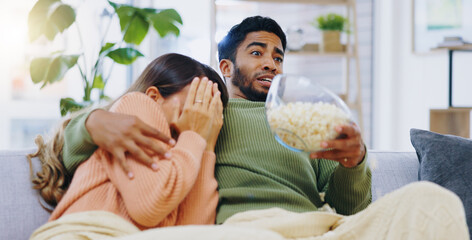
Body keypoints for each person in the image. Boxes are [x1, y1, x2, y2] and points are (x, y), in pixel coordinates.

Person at [51, 17, 469, 240]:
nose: (272, 62)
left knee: (431, 200)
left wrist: (354, 161)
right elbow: (91, 151)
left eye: (279, 56)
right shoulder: (200, 115)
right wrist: (91, 120)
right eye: (257, 52)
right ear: (226, 68)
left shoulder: (300, 118)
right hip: (245, 231)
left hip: (321, 228)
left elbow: (349, 210)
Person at [28, 53, 229, 239]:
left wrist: (207, 146)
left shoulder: (187, 153)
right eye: (196, 104)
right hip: (86, 232)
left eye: (208, 113)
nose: (199, 118)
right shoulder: (137, 106)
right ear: (154, 97)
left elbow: (194, 231)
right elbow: (149, 206)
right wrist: (193, 135)